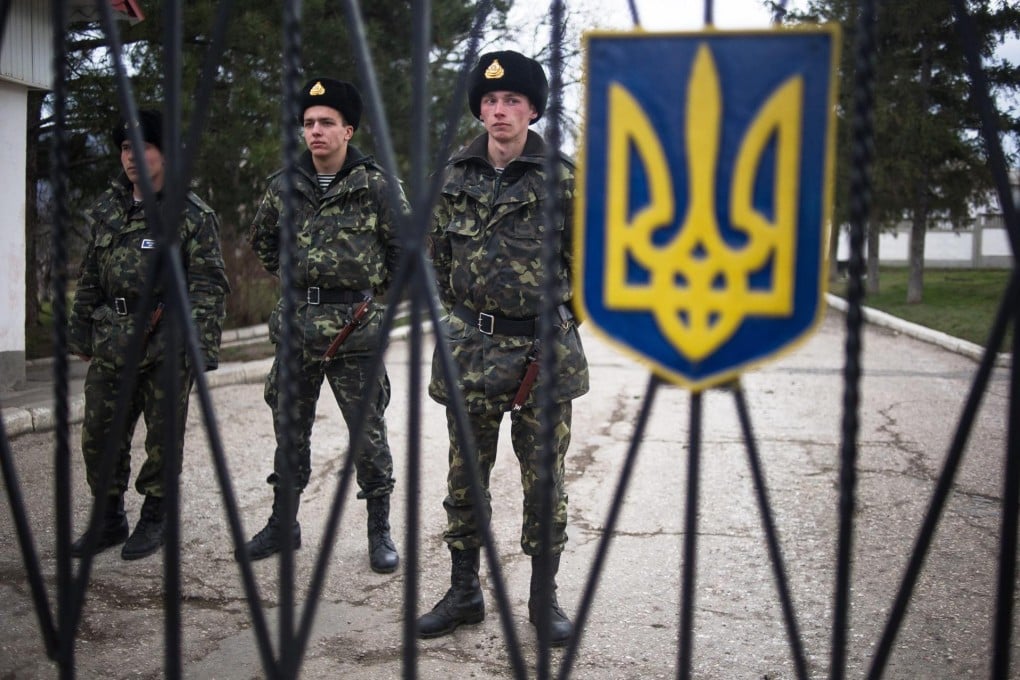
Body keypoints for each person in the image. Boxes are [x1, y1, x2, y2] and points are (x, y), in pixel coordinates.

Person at [418, 51, 589, 646]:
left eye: (511, 100)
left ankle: (544, 599)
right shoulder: (452, 177)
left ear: (533, 109)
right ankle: (465, 592)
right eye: (490, 101)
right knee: (466, 478)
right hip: (471, 351)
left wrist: (558, 323)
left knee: (544, 483)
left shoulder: (564, 179)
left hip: (541, 354)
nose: (499, 110)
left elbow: (588, 271)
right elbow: (436, 260)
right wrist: (459, 320)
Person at [241, 77, 405, 574]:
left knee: (366, 433)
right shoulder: (283, 186)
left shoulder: (377, 185)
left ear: (348, 130)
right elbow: (264, 242)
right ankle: (282, 523)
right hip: (295, 325)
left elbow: (403, 252)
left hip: (355, 329)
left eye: (326, 123)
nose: (315, 131)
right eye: (308, 123)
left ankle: (379, 529)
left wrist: (366, 293)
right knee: (289, 429)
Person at [68, 108, 229, 561]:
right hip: (112, 340)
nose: (132, 156)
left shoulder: (191, 215)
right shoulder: (107, 211)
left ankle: (155, 516)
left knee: (162, 440)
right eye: (124, 147)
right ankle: (108, 517)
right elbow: (90, 277)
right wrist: (80, 335)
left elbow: (209, 285)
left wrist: (198, 349)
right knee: (98, 435)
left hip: (167, 344)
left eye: (144, 146)